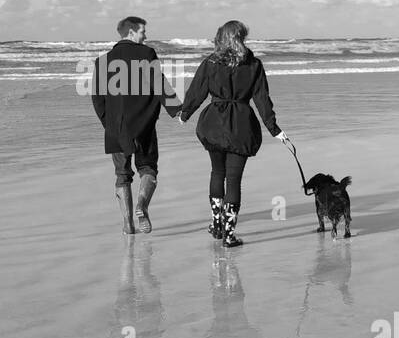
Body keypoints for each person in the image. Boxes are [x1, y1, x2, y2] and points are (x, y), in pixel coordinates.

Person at [178, 20, 291, 247]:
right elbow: (262, 100)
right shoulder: (254, 65)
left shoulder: (210, 63)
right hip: (241, 126)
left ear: (222, 37)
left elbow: (196, 91)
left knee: (217, 173)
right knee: (234, 181)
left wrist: (186, 113)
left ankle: (216, 224)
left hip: (213, 124)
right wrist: (274, 129)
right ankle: (229, 235)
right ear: (241, 38)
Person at [91, 16, 181, 234]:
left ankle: (127, 224)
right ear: (131, 33)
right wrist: (177, 109)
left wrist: (108, 123)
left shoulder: (102, 61)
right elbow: (159, 83)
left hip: (116, 127)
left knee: (122, 175)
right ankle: (142, 204)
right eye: (142, 31)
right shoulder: (146, 54)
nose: (146, 36)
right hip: (144, 125)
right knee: (148, 167)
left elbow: (97, 98)